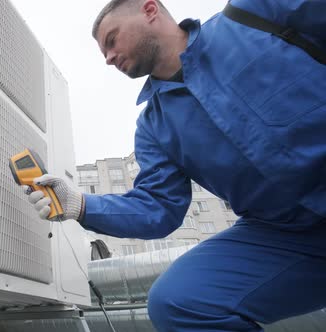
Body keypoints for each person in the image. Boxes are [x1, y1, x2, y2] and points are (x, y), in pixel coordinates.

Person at [24, 0, 326, 331]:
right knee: (180, 300)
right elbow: (159, 207)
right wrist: (79, 205)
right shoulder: (154, 127)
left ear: (150, 10)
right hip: (292, 235)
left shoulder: (253, 15)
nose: (108, 59)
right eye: (103, 54)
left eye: (112, 40)